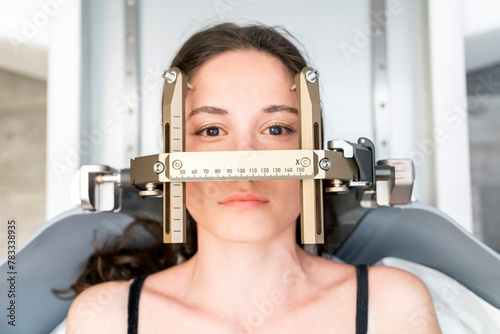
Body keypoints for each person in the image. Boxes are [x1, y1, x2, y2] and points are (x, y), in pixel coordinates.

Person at [66, 23, 441, 333]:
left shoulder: (391, 307)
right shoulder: (105, 317)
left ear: (315, 153)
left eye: (275, 129)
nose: (244, 161)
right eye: (212, 130)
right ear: (171, 156)